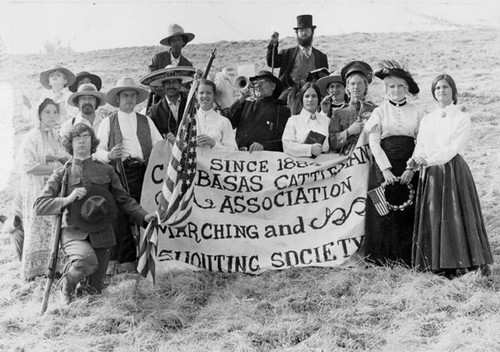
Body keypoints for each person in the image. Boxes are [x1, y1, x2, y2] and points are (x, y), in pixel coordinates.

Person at [34, 123, 157, 303]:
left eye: (85, 136)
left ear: (92, 141)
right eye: (77, 137)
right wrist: (68, 199)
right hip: (73, 233)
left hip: (103, 235)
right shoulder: (62, 174)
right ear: (70, 143)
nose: (81, 141)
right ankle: (66, 286)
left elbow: (124, 199)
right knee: (85, 261)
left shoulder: (106, 170)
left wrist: (144, 216)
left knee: (93, 295)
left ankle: (81, 306)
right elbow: (40, 205)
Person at [409, 74, 493, 278]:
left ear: (453, 91)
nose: (441, 91)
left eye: (445, 87)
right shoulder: (428, 119)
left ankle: (461, 261)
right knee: (434, 214)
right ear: (433, 92)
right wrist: (414, 160)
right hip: (430, 173)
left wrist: (428, 160)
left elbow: (453, 148)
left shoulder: (461, 117)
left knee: (453, 216)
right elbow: (421, 145)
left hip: (452, 170)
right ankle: (436, 263)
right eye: (437, 88)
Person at [94, 77, 162, 272]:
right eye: (126, 95)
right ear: (118, 98)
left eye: (132, 95)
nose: (130, 99)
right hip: (121, 172)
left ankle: (148, 257)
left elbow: (158, 144)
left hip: (145, 172)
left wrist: (168, 143)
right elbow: (96, 150)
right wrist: (109, 155)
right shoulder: (109, 122)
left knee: (146, 210)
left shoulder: (146, 120)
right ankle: (126, 261)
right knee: (122, 215)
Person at [363, 61, 424, 266]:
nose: (396, 90)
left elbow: (421, 141)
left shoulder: (417, 112)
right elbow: (374, 142)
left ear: (406, 89)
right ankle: (382, 259)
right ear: (386, 89)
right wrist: (385, 169)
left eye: (400, 86)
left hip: (409, 166)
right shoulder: (379, 112)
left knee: (408, 210)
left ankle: (407, 258)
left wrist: (411, 167)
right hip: (384, 168)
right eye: (391, 87)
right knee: (383, 211)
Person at [15, 98, 70, 281]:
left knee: (55, 226)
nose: (52, 116)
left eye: (55, 112)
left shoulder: (57, 137)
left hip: (55, 188)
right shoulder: (31, 137)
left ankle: (54, 268)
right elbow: (27, 165)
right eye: (47, 112)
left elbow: (67, 158)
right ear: (38, 114)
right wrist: (55, 168)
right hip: (37, 188)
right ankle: (35, 271)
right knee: (38, 224)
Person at [267, 15, 329, 96]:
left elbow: (325, 78)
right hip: (290, 93)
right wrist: (273, 44)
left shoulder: (321, 56)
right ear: (297, 33)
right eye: (301, 31)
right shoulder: (287, 53)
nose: (304, 33)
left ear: (312, 32)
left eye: (307, 30)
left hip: (312, 94)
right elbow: (272, 63)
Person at [229, 70, 291, 152]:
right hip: (241, 156)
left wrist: (264, 146)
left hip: (265, 158)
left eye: (262, 82)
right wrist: (241, 99)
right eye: (255, 83)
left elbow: (284, 141)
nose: (258, 85)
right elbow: (228, 122)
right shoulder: (245, 105)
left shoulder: (282, 110)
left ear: (273, 86)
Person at [329, 61, 377, 153]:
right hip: (346, 160)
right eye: (352, 84)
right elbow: (331, 141)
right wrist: (348, 132)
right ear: (347, 87)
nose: (356, 87)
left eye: (359, 83)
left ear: (365, 86)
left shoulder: (375, 110)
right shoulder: (338, 113)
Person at [148, 24, 195, 106]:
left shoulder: (188, 65)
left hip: (181, 103)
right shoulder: (157, 58)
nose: (176, 43)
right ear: (169, 43)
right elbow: (151, 83)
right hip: (159, 102)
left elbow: (188, 87)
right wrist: (170, 93)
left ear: (183, 42)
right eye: (173, 40)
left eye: (178, 40)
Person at [145, 66, 195, 142]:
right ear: (163, 86)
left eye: (174, 82)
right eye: (168, 83)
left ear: (180, 84)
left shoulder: (191, 103)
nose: (171, 86)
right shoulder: (154, 111)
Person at [282, 82, 329, 157]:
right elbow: (287, 146)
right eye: (307, 96)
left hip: (324, 164)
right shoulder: (293, 121)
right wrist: (309, 149)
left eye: (314, 96)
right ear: (302, 99)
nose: (310, 99)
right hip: (301, 165)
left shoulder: (326, 120)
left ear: (318, 99)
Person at [195, 79, 237, 151]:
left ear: (214, 95)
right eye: (201, 93)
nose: (204, 96)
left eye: (208, 93)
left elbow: (232, 151)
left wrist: (214, 144)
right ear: (196, 95)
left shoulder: (224, 122)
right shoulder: (188, 120)